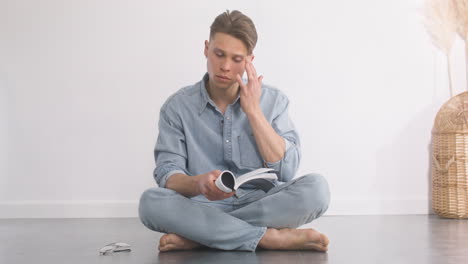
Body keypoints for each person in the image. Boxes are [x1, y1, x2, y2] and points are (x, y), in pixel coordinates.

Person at [138, 10, 330, 252]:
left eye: (236, 59)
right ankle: (267, 238)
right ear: (206, 48)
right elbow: (168, 173)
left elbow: (287, 171)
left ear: (250, 60)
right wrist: (198, 184)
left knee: (317, 190)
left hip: (262, 203)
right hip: (202, 205)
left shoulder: (274, 101)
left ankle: (201, 236)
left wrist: (254, 112)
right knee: (151, 203)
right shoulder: (177, 107)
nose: (225, 67)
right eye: (219, 54)